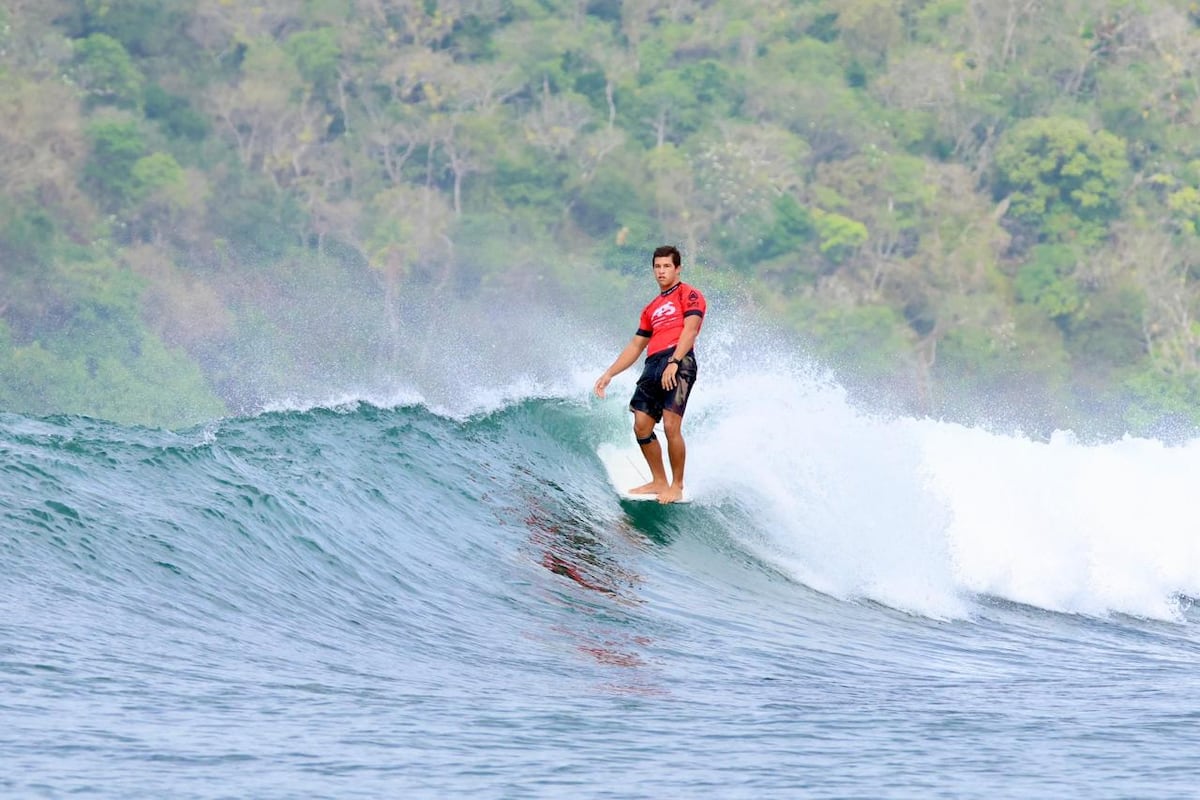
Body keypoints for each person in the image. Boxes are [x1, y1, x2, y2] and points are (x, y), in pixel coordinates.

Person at [594, 245, 706, 504]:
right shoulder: (651, 308)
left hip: (679, 360)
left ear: (677, 268)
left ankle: (676, 485)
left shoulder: (690, 295)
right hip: (652, 364)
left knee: (670, 425)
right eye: (657, 266)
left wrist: (675, 361)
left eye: (667, 266)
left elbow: (690, 330)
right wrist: (610, 373)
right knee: (641, 424)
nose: (661, 271)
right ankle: (659, 480)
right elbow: (636, 345)